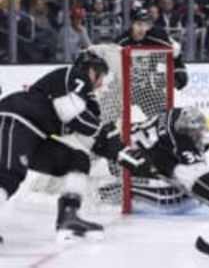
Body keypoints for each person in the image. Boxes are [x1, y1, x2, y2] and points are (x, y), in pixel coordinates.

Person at [0, 49, 145, 243]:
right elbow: (73, 115)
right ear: (89, 69)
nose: (101, 83)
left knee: (77, 160)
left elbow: (89, 136)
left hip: (35, 135)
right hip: (15, 121)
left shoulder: (86, 99)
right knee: (8, 176)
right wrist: (106, 136)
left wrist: (118, 154)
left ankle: (68, 217)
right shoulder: (75, 75)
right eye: (99, 74)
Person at [126, 106, 209, 217]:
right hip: (130, 156)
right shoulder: (174, 136)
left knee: (182, 171)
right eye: (194, 133)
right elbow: (190, 171)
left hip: (145, 148)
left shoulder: (176, 123)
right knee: (181, 177)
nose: (197, 135)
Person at [116, 8, 188, 117]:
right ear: (132, 24)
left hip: (147, 89)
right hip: (126, 87)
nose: (142, 29)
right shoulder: (121, 42)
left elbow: (175, 51)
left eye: (146, 25)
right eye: (139, 24)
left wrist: (179, 70)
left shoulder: (157, 36)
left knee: (161, 115)